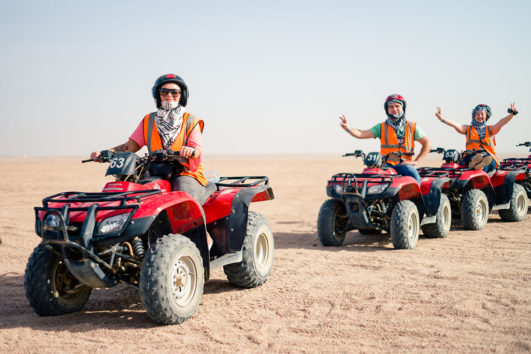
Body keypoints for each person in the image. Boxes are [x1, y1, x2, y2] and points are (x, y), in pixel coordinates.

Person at [90, 73, 213, 247]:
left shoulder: (191, 121)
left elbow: (197, 149)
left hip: (185, 172)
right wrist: (106, 152)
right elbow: (130, 146)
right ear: (158, 95)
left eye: (174, 92)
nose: (169, 96)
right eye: (164, 92)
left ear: (182, 96)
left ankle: (202, 239)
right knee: (133, 196)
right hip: (155, 170)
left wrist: (190, 150)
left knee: (185, 200)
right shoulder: (149, 120)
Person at [339, 94, 431, 184]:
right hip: (386, 164)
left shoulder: (412, 127)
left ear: (403, 107)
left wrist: (416, 161)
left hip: (404, 164)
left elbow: (427, 143)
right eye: (391, 107)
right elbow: (362, 134)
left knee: (414, 175)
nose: (394, 109)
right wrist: (347, 128)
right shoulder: (381, 127)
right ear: (387, 110)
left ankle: (419, 199)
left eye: (397, 106)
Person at [435, 103, 519, 173]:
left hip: (488, 157)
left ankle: (478, 166)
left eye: (482, 114)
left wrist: (511, 115)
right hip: (472, 155)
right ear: (474, 115)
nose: (480, 116)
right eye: (477, 114)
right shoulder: (468, 129)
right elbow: (456, 125)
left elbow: (501, 123)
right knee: (472, 158)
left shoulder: (490, 129)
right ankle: (475, 165)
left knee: (489, 161)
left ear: (486, 116)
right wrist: (443, 119)